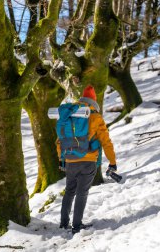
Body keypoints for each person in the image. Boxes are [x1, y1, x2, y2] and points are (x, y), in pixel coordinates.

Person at [57, 85, 117, 234]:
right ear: (94, 102)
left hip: (70, 159)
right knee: (82, 193)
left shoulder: (69, 115)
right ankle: (77, 226)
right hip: (88, 161)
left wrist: (62, 158)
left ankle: (64, 223)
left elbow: (60, 140)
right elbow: (106, 141)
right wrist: (112, 162)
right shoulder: (95, 117)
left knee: (69, 191)